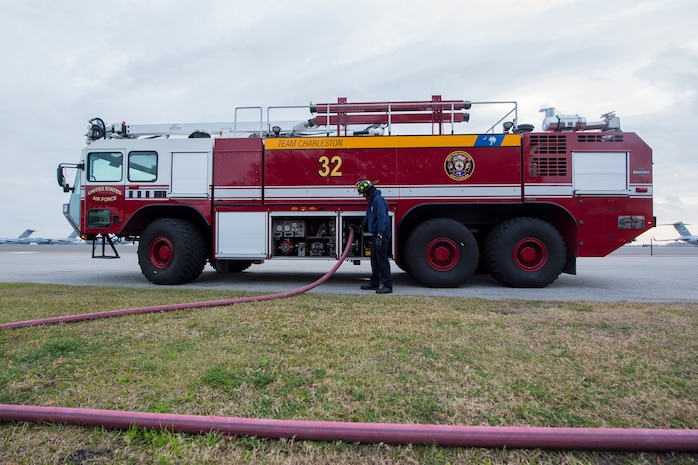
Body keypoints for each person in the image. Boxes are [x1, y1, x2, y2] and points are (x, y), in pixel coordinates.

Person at [356, 179, 393, 294]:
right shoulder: (372, 201)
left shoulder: (378, 200)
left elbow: (382, 218)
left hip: (381, 233)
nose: (363, 196)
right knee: (375, 260)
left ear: (368, 191)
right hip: (377, 233)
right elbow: (369, 216)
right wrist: (361, 226)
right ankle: (374, 282)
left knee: (382, 260)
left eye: (364, 193)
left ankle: (387, 286)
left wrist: (380, 235)